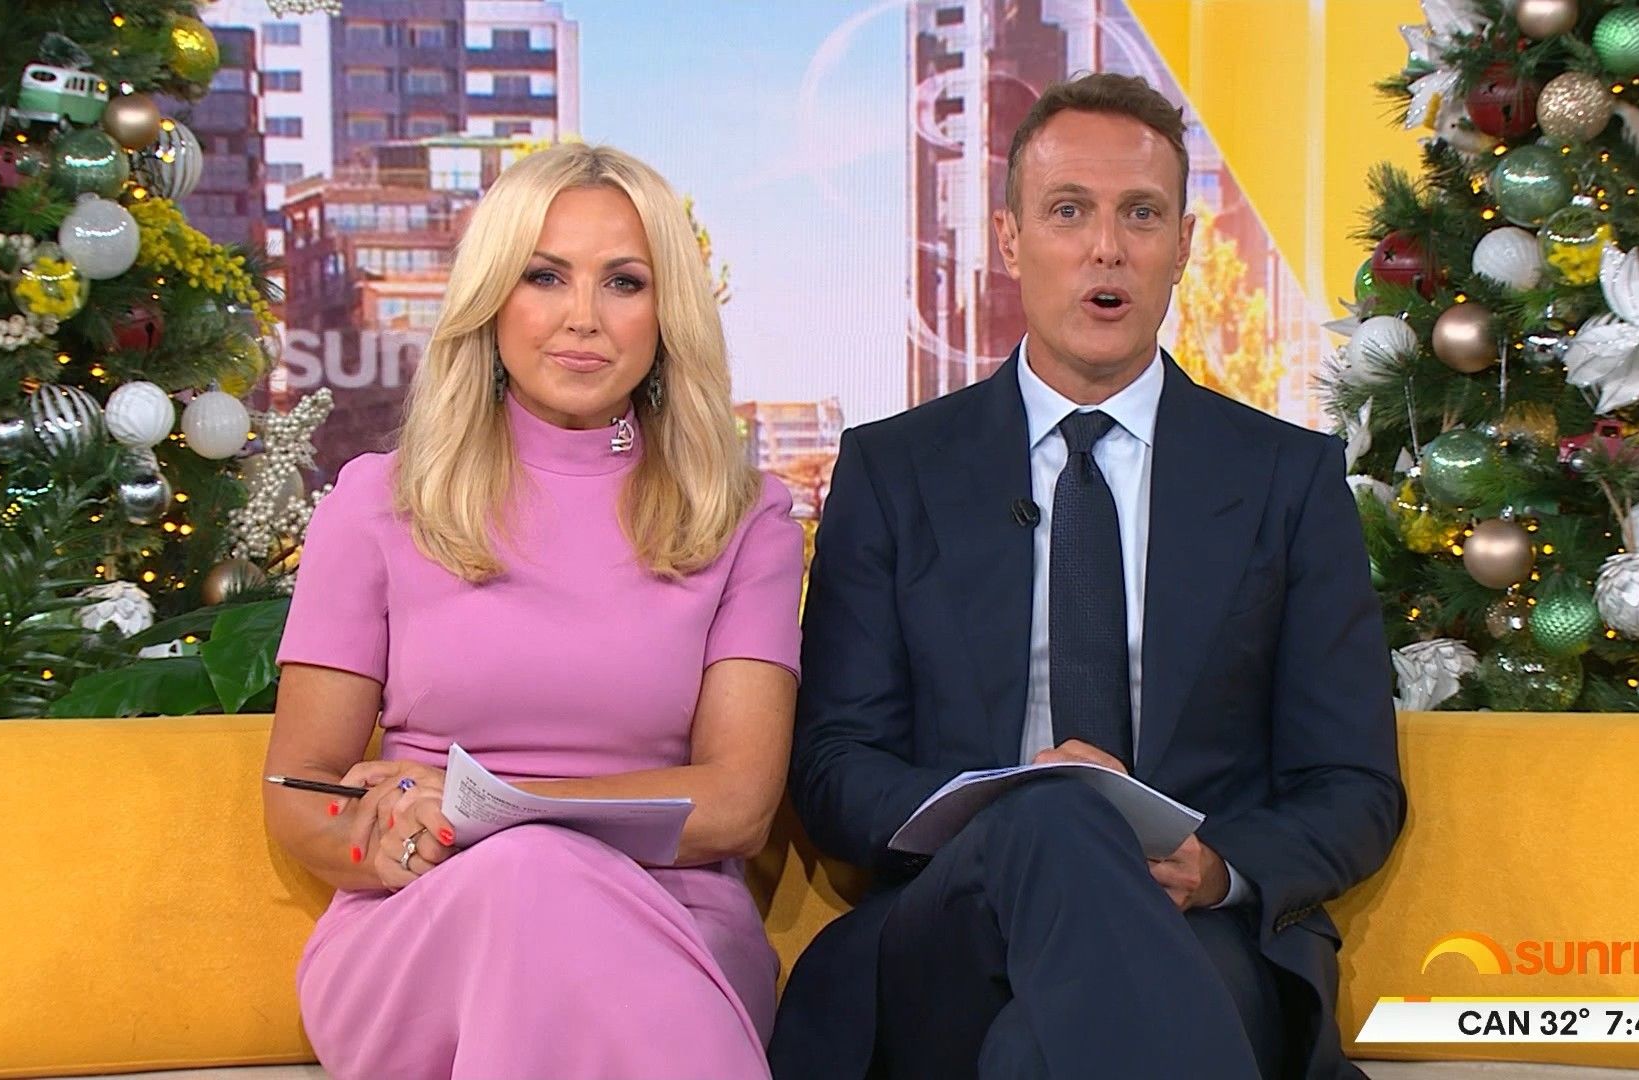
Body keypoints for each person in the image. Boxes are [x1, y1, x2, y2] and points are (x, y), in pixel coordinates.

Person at [770, 73, 1405, 1080]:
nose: (1107, 248)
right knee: (1058, 814)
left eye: (1140, 214)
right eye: (1069, 211)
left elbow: (1353, 785)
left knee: (1036, 1053)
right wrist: (1014, 822)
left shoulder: (1287, 480)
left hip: (1197, 930)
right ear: (1010, 238)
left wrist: (1217, 869)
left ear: (1183, 246)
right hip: (950, 927)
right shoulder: (894, 471)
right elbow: (835, 766)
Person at [263, 143, 804, 1080]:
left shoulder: (744, 518)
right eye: (544, 276)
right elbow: (299, 786)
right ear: (492, 298)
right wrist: (389, 841)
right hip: (425, 924)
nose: (582, 316)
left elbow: (738, 806)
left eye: (624, 282)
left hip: (673, 924)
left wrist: (492, 812)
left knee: (536, 868)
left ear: (667, 312)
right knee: (527, 876)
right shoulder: (378, 502)